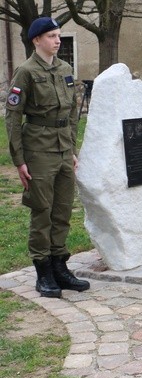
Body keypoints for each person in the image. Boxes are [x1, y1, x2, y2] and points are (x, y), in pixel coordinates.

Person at [5, 16, 90, 298]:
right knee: (42, 211)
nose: (57, 40)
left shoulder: (64, 68)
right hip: (38, 149)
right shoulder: (26, 71)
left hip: (63, 149)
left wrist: (72, 149)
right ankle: (43, 272)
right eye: (52, 36)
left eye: (58, 35)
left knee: (63, 211)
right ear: (36, 40)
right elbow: (13, 117)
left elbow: (71, 113)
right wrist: (20, 160)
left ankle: (60, 267)